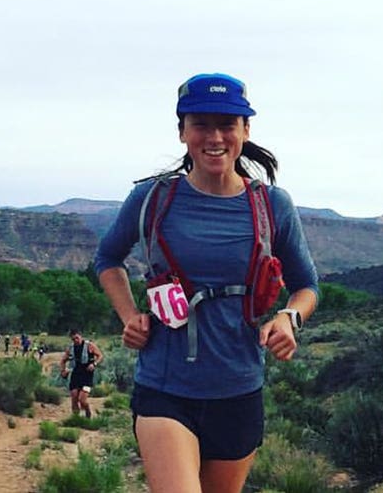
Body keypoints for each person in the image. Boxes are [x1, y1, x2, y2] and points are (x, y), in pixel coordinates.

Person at [94, 72, 319, 492]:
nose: (214, 136)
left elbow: (308, 286)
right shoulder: (152, 199)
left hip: (239, 389)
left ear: (245, 131)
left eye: (227, 124)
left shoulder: (272, 205)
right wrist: (129, 315)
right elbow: (108, 258)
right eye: (201, 124)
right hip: (165, 387)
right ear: (182, 132)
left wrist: (290, 317)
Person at [59, 329, 103, 418]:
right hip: (76, 373)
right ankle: (76, 419)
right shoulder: (71, 348)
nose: (75, 341)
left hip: (87, 374)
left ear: (80, 336)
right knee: (74, 398)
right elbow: (63, 361)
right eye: (73, 339)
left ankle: (88, 412)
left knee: (82, 400)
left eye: (77, 338)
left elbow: (100, 356)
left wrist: (94, 364)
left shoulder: (89, 346)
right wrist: (63, 371)